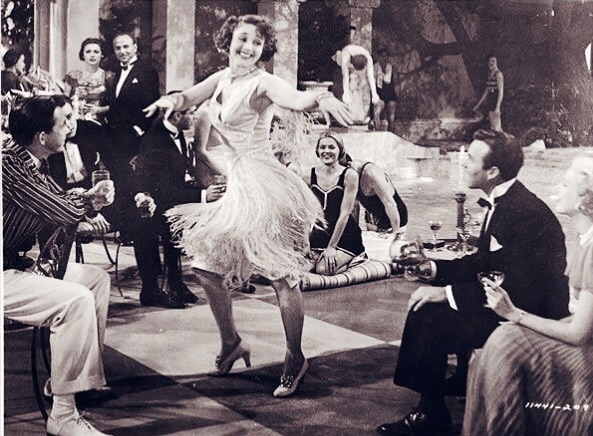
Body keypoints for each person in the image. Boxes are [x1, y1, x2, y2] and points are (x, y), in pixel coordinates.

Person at [143, 14, 352, 397]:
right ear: (229, 40)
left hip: (264, 186)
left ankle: (295, 358)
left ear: (263, 48)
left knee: (281, 276)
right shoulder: (223, 78)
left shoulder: (263, 82)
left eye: (257, 42)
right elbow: (188, 97)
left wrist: (322, 97)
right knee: (205, 269)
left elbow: (296, 98)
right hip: (238, 186)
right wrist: (169, 100)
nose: (249, 47)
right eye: (243, 39)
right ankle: (231, 343)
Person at [377, 129, 569, 436]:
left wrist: (448, 294)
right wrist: (432, 268)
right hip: (510, 296)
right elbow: (484, 264)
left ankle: (431, 413)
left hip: (531, 310)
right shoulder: (504, 201)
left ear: (492, 172)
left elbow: (520, 286)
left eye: (470, 158)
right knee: (429, 301)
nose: (463, 162)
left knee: (429, 314)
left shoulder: (526, 213)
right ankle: (460, 379)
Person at [3, 95, 115, 436]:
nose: (70, 126)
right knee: (76, 300)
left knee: (94, 280)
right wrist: (89, 200)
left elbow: (58, 200)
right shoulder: (9, 165)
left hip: (15, 266)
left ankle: (71, 383)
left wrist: (88, 201)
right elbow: (61, 208)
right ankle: (63, 417)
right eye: (62, 122)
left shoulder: (29, 160)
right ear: (42, 136)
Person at [463, 154, 593, 436]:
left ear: (584, 199)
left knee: (505, 345)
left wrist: (514, 314)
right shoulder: (585, 240)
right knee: (497, 344)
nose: (556, 189)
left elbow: (579, 335)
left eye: (564, 185)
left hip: (586, 355)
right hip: (580, 340)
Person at [132, 101, 223, 309]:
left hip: (167, 199)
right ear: (177, 117)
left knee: (198, 215)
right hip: (147, 203)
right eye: (190, 113)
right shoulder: (155, 141)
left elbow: (175, 180)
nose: (195, 117)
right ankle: (152, 290)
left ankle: (176, 282)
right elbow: (162, 190)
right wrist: (202, 195)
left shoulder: (176, 132)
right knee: (170, 220)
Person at [104, 32, 160, 233]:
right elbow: (116, 106)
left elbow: (153, 105)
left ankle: (134, 230)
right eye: (118, 48)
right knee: (120, 179)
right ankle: (125, 228)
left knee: (134, 180)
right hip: (115, 136)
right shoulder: (116, 73)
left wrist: (138, 130)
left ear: (135, 47)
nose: (122, 51)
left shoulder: (147, 71)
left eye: (126, 46)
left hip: (134, 137)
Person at [306, 132, 366, 275]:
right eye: (322, 147)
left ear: (340, 150)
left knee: (322, 269)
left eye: (331, 147)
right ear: (317, 150)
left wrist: (331, 247)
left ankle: (356, 258)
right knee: (299, 269)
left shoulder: (349, 175)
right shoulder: (309, 175)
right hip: (319, 234)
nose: (326, 151)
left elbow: (345, 214)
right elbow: (305, 213)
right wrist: (305, 242)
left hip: (345, 236)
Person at [343, 156, 408, 238]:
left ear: (349, 165)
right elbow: (354, 206)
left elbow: (389, 203)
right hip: (373, 219)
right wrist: (354, 230)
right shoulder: (349, 176)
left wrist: (394, 232)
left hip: (395, 219)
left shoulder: (371, 173)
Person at [63, 38, 110, 123]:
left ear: (102, 55)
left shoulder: (109, 77)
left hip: (98, 124)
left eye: (96, 52)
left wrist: (100, 109)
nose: (92, 55)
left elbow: (116, 105)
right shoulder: (72, 77)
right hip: (75, 122)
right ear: (83, 55)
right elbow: (63, 103)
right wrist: (74, 99)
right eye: (88, 52)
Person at [332, 44, 380, 124]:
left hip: (353, 58)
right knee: (348, 91)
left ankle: (359, 117)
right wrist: (346, 93)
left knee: (357, 92)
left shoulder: (368, 58)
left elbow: (371, 77)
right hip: (344, 54)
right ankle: (347, 116)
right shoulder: (345, 56)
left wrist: (375, 94)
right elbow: (345, 76)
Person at [473, 55, 504, 132]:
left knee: (496, 127)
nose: (491, 63)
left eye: (493, 61)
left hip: (495, 100)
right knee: (491, 125)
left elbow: (501, 91)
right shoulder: (490, 75)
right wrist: (478, 105)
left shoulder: (498, 74)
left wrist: (498, 106)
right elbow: (486, 92)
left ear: (497, 62)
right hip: (490, 100)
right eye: (489, 61)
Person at [373, 51, 397, 132]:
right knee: (377, 114)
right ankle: (378, 133)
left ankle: (392, 134)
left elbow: (392, 81)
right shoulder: (375, 68)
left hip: (390, 95)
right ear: (379, 57)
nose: (384, 58)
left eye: (386, 56)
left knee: (392, 117)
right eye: (382, 56)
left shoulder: (390, 68)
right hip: (380, 95)